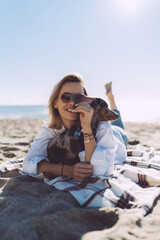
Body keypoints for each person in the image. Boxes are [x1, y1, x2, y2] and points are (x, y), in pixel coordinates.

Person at [23, 73, 127, 180]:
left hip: (118, 137)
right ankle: (111, 97)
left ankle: (111, 98)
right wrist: (67, 170)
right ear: (55, 103)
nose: (72, 102)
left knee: (118, 123)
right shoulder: (52, 130)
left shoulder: (102, 126)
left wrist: (87, 128)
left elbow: (100, 171)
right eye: (66, 97)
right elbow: (27, 165)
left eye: (79, 98)